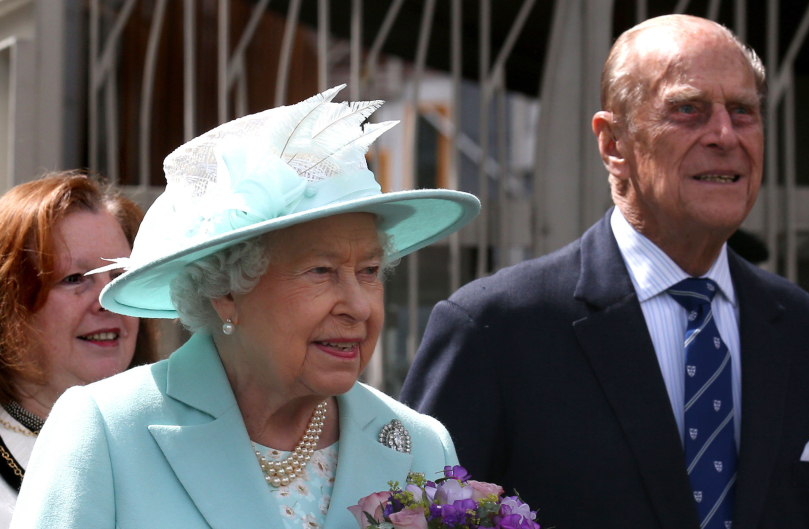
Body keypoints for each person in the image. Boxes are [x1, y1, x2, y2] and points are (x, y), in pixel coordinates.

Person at [401, 14, 809, 529]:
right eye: (688, 110)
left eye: (743, 111)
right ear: (614, 143)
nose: (725, 134)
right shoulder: (494, 329)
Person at [11, 86, 479, 529]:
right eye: (321, 271)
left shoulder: (420, 444)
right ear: (227, 292)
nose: (357, 306)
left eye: (370, 271)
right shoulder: (106, 431)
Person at [0, 173, 156, 526]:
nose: (107, 301)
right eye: (75, 279)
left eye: (120, 277)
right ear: (10, 302)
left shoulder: (179, 435)